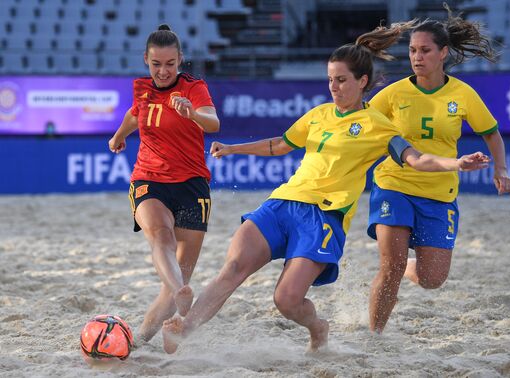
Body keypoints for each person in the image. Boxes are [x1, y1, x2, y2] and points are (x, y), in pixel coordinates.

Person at [161, 21, 490, 354]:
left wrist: (456, 163)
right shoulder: (319, 114)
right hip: (284, 203)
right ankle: (182, 331)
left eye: (342, 80)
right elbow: (281, 144)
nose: (334, 87)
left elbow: (416, 159)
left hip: (324, 216)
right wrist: (233, 148)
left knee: (286, 300)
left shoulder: (378, 125)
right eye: (330, 80)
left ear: (362, 82)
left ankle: (318, 326)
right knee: (233, 267)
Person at [367, 5, 510, 334]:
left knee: (432, 280)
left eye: (425, 50)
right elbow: (361, 125)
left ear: (443, 53)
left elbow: (491, 133)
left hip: (439, 193)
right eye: (412, 50)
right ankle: (373, 337)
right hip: (394, 184)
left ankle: (409, 268)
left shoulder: (462, 94)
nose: (417, 57)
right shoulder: (393, 93)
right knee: (390, 269)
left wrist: (500, 169)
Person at [108, 24, 220, 345]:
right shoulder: (142, 88)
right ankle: (179, 290)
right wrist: (118, 136)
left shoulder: (193, 88)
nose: (163, 71)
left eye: (170, 64)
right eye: (156, 64)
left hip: (192, 185)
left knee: (176, 279)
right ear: (146, 59)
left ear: (180, 60)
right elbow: (135, 114)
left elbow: (214, 122)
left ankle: (142, 339)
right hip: (149, 179)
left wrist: (192, 114)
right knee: (161, 235)